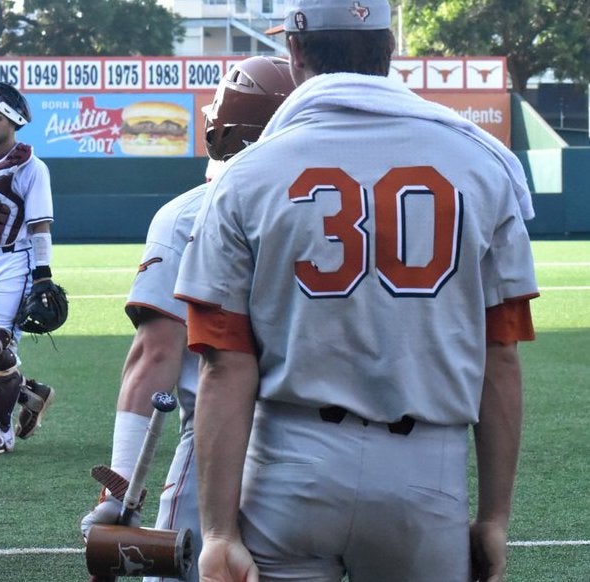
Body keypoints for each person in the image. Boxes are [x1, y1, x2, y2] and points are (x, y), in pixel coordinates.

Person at [175, 1, 539, 581]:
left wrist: (218, 531)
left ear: (294, 50)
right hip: (425, 469)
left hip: (290, 462)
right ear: (388, 47)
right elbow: (501, 354)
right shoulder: (483, 165)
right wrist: (494, 517)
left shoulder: (247, 175)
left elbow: (225, 364)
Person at [78, 57, 294, 582]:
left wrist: (121, 485)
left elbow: (154, 355)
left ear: (220, 131)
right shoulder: (336, 209)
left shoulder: (188, 214)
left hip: (217, 440)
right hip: (317, 441)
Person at [0, 82, 59, 455]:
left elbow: (39, 226)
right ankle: (29, 392)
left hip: (12, 259)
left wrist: (43, 275)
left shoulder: (31, 167)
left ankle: (0, 431)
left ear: (15, 121)